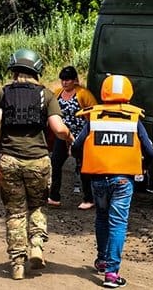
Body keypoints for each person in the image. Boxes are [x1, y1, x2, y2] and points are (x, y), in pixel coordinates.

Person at [0, 48, 74, 280]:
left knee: (15, 212)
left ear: (14, 68)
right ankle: (37, 245)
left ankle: (17, 263)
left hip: (8, 160)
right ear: (36, 69)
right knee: (38, 205)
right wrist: (69, 138)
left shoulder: (2, 93)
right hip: (37, 160)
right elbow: (58, 129)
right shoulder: (46, 95)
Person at [72, 75, 153, 288]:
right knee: (117, 223)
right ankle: (111, 274)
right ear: (128, 93)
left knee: (101, 217)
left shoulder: (94, 117)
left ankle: (101, 260)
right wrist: (145, 166)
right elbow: (150, 151)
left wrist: (82, 158)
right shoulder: (134, 118)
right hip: (122, 181)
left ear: (104, 92)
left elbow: (77, 146)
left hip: (98, 179)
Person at [48, 65, 98, 209]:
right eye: (62, 80)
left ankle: (89, 198)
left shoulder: (84, 94)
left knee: (83, 167)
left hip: (81, 135)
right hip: (63, 134)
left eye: (68, 80)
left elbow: (94, 113)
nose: (65, 82)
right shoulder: (57, 93)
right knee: (55, 163)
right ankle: (54, 196)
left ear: (74, 80)